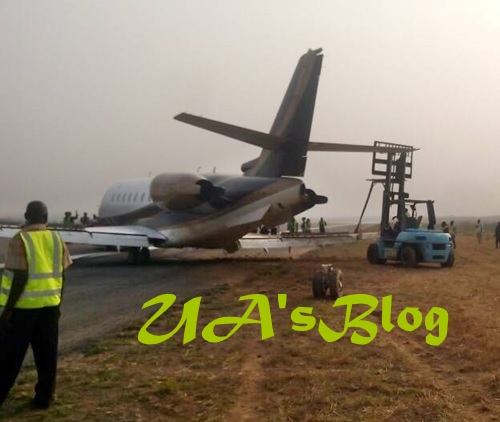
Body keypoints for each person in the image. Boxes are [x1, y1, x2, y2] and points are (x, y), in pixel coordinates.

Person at [0, 201, 72, 409]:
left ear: (26, 216)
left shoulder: (20, 239)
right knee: (47, 356)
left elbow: (19, 276)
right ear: (46, 217)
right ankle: (44, 398)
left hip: (24, 309)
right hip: (49, 308)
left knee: (9, 358)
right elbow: (62, 274)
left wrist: (7, 311)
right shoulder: (57, 239)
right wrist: (58, 303)